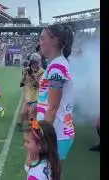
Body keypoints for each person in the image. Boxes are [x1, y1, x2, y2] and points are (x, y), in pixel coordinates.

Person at [37, 24, 75, 169]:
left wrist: (41, 136)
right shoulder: (57, 64)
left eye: (42, 38)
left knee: (48, 173)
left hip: (55, 133)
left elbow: (52, 108)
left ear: (55, 40)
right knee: (54, 174)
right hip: (57, 131)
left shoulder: (57, 67)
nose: (40, 42)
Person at [17, 53, 45, 131]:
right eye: (33, 62)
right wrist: (25, 74)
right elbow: (22, 83)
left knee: (32, 114)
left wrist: (33, 75)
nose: (34, 64)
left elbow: (40, 84)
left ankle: (35, 128)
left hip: (36, 95)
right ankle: (23, 126)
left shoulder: (42, 72)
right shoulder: (26, 70)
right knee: (23, 113)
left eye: (35, 62)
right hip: (28, 96)